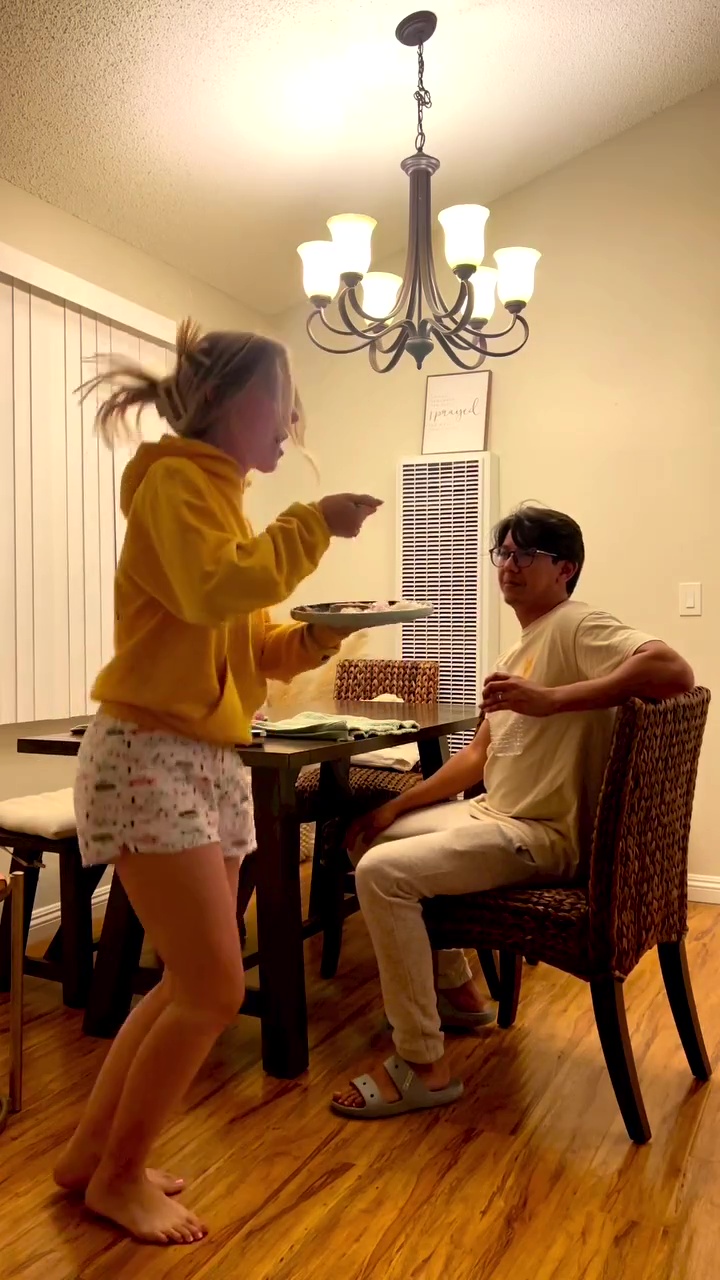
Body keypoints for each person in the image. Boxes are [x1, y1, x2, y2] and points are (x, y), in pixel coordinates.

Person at [53, 319, 380, 1243]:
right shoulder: (174, 486)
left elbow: (254, 643)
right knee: (209, 990)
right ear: (226, 402)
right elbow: (212, 589)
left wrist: (319, 633)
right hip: (148, 756)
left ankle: (89, 1158)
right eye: (282, 401)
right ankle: (119, 1178)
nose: (292, 421)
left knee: (183, 984)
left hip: (200, 759)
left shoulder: (222, 503)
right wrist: (313, 523)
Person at [333, 504, 694, 1119]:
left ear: (565, 569)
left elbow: (673, 670)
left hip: (543, 836)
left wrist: (552, 699)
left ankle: (423, 1064)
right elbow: (478, 755)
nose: (508, 565)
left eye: (526, 554)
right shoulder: (519, 647)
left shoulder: (577, 623)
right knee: (369, 840)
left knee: (381, 874)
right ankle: (461, 994)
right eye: (503, 552)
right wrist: (394, 807)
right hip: (494, 813)